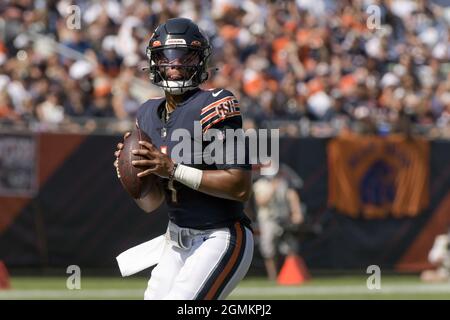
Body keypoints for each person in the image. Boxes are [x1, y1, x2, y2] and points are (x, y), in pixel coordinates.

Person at [113, 18, 253, 300]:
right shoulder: (147, 113)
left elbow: (239, 186)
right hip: (175, 241)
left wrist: (173, 169)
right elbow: (151, 203)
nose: (175, 64)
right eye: (166, 57)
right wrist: (130, 176)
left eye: (185, 56)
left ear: (200, 61)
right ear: (154, 62)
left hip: (220, 236)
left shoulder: (217, 102)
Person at [253, 167, 304, 281]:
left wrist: (296, 212)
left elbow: (292, 195)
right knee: (268, 249)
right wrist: (272, 188)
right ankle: (273, 276)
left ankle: (290, 274)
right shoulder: (260, 185)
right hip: (268, 220)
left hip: (284, 218)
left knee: (290, 247)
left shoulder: (283, 182)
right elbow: (261, 201)